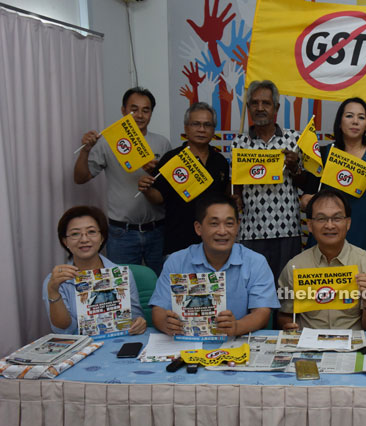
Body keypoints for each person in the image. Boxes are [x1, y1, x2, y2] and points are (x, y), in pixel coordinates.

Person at [149, 194, 280, 337]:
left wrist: (236, 326)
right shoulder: (176, 260)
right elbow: (158, 309)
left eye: (229, 223)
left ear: (237, 227)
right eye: (214, 224)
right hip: (186, 343)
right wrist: (166, 323)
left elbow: (262, 312)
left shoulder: (256, 262)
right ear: (198, 228)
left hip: (235, 343)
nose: (222, 231)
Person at [75, 87, 172, 274]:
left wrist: (156, 171)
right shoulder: (107, 141)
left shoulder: (162, 143)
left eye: (146, 110)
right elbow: (80, 178)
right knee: (122, 289)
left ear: (152, 112)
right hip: (122, 233)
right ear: (123, 110)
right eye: (134, 109)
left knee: (161, 285)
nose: (140, 115)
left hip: (157, 230)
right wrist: (86, 150)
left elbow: (169, 188)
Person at [305, 97, 366, 272]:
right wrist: (307, 201)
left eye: (361, 117)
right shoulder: (324, 154)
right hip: (330, 233)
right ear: (339, 122)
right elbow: (308, 196)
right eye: (349, 116)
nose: (355, 121)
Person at [278, 189, 366, 331]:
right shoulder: (295, 267)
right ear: (309, 225)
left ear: (348, 223)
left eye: (337, 218)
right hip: (308, 347)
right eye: (321, 218)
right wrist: (287, 325)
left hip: (353, 348)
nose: (329, 225)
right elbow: (284, 315)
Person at [230, 80, 306, 281]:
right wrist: (236, 197)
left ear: (276, 108)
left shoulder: (294, 139)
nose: (260, 108)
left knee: (286, 294)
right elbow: (235, 185)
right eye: (254, 103)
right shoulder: (239, 142)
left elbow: (309, 184)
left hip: (287, 229)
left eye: (266, 103)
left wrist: (294, 167)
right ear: (248, 108)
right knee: (254, 293)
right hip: (250, 231)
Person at [138, 102, 230, 256]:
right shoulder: (172, 158)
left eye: (207, 125)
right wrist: (146, 190)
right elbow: (159, 198)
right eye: (196, 124)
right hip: (179, 241)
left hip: (214, 241)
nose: (201, 129)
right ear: (186, 128)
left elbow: (223, 196)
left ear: (213, 130)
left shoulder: (220, 161)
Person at [42, 206, 146, 335]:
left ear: (102, 237)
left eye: (91, 232)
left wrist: (139, 322)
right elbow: (64, 330)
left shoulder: (121, 274)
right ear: (65, 241)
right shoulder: (55, 281)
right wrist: (53, 291)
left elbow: (135, 316)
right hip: (80, 348)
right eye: (75, 234)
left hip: (120, 343)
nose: (84, 239)